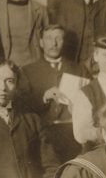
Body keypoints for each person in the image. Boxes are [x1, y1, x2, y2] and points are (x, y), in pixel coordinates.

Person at [21, 24, 90, 162]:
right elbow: (22, 106)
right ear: (41, 42)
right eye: (49, 38)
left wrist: (79, 108)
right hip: (42, 134)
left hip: (72, 132)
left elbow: (92, 101)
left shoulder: (79, 69)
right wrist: (43, 97)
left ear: (64, 42)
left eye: (59, 38)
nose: (54, 43)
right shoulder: (28, 71)